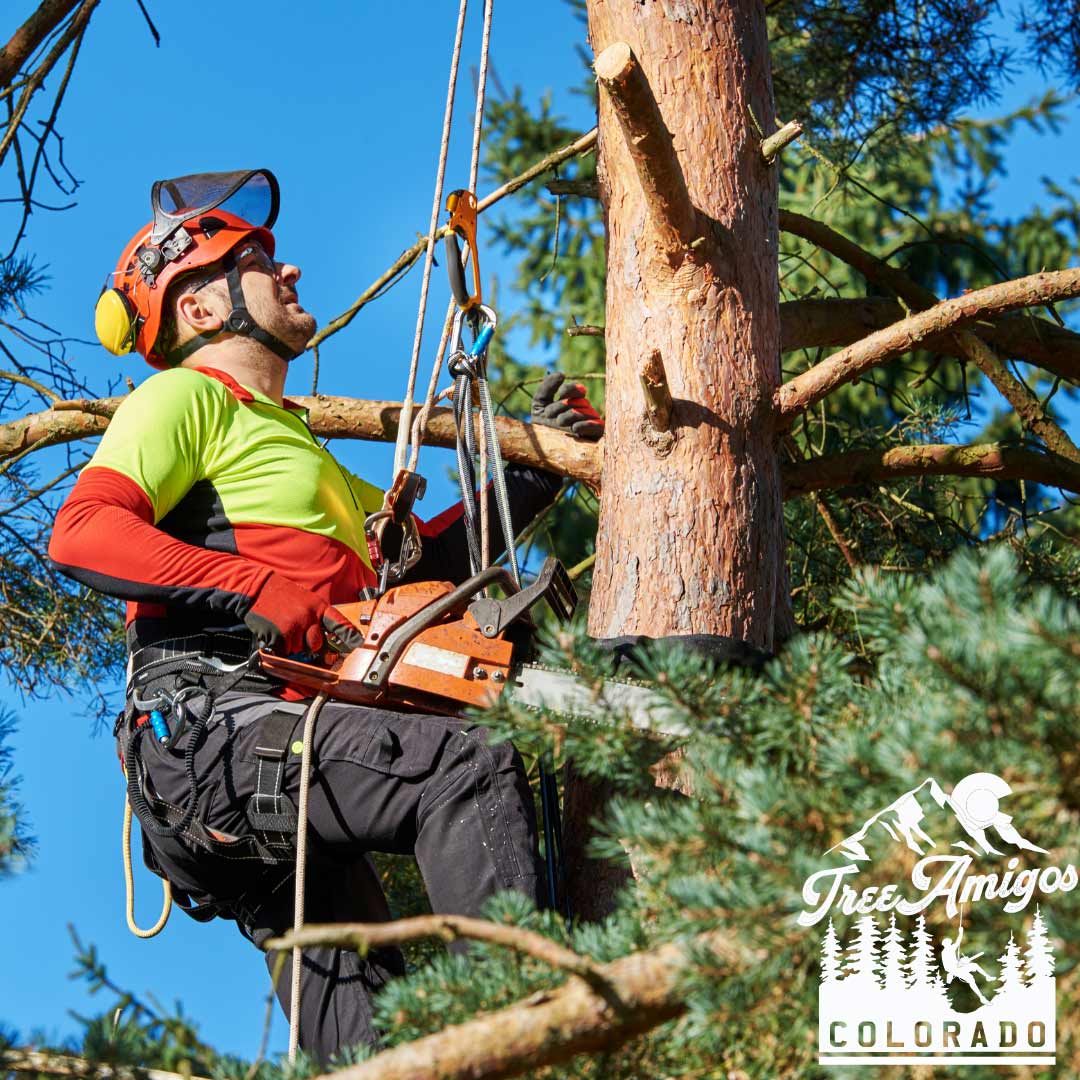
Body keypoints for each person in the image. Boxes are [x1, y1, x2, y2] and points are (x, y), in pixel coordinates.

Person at [47, 169, 603, 1062]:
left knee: (372, 1046)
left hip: (270, 754)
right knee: (459, 769)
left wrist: (532, 476)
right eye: (259, 260)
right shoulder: (188, 398)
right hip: (213, 727)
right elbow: (81, 532)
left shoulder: (301, 452)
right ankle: (533, 1035)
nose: (291, 269)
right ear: (198, 311)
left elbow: (422, 565)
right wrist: (251, 589)